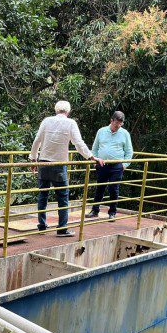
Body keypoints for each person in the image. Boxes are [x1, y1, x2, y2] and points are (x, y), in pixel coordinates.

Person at [30, 101, 102, 236]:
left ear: (56, 110)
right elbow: (78, 143)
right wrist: (91, 157)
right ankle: (62, 228)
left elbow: (37, 141)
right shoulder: (70, 123)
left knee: (43, 195)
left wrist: (33, 159)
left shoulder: (46, 121)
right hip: (59, 164)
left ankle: (41, 225)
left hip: (43, 163)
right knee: (62, 197)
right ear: (68, 112)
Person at [87, 111, 133, 220]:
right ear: (111, 120)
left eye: (120, 124)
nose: (118, 126)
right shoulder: (101, 131)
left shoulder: (125, 133)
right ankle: (95, 210)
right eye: (116, 123)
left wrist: (124, 164)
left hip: (117, 165)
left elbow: (129, 151)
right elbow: (95, 148)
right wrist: (95, 161)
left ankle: (112, 212)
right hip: (102, 164)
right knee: (100, 187)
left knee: (114, 189)